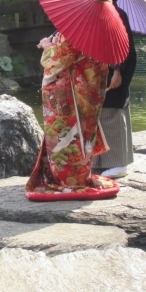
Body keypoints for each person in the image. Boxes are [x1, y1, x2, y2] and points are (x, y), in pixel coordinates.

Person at [25, 31, 119, 200]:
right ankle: (83, 176)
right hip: (90, 89)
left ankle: (68, 181)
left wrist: (47, 46)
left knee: (65, 135)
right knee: (85, 132)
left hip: (69, 93)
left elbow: (59, 58)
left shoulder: (76, 30)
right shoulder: (100, 29)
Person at [91, 0, 136, 179]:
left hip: (115, 69)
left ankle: (119, 163)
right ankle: (99, 161)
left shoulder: (117, 14)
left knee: (113, 113)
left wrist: (117, 70)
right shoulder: (97, 12)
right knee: (98, 115)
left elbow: (121, 46)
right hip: (98, 70)